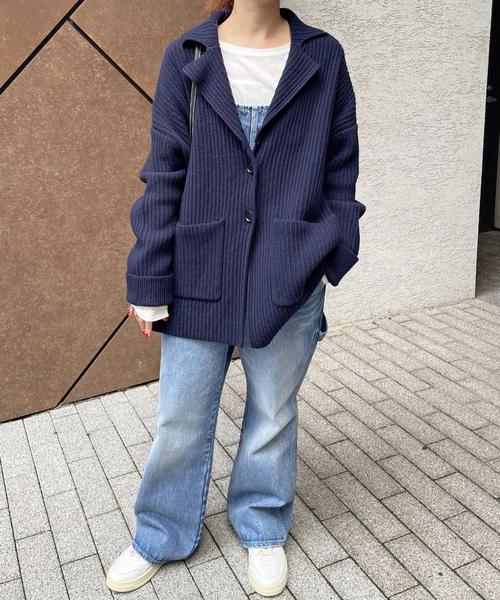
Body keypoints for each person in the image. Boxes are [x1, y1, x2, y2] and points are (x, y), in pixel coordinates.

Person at [107, 0, 366, 596]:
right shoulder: (187, 55)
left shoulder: (323, 56)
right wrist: (148, 279)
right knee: (180, 415)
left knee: (273, 411)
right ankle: (160, 532)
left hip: (290, 274)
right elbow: (165, 171)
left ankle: (262, 524)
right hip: (198, 270)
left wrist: (332, 247)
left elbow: (341, 165)